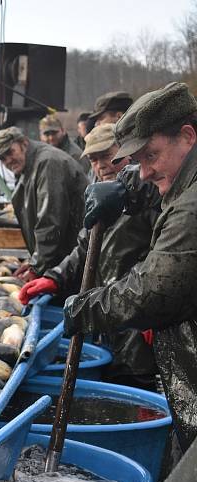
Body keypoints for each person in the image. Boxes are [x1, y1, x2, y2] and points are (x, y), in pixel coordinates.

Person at [64, 82, 197, 456]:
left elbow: (152, 293)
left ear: (187, 136)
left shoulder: (190, 210)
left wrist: (87, 308)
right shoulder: (181, 175)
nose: (144, 172)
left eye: (150, 156)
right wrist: (123, 190)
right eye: (136, 161)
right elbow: (153, 176)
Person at [17, 124, 161, 390]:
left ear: (127, 152)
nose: (101, 165)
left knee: (137, 377)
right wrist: (54, 277)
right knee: (111, 371)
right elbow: (84, 247)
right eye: (94, 159)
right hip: (107, 308)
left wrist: (157, 310)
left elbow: (162, 262)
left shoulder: (153, 195)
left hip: (139, 310)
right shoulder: (99, 195)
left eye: (107, 155)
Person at [0, 126, 90, 283]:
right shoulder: (31, 164)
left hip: (75, 259)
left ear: (23, 143)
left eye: (10, 152)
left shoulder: (48, 163)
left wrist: (37, 268)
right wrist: (33, 262)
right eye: (2, 158)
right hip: (64, 260)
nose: (7, 161)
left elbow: (50, 222)